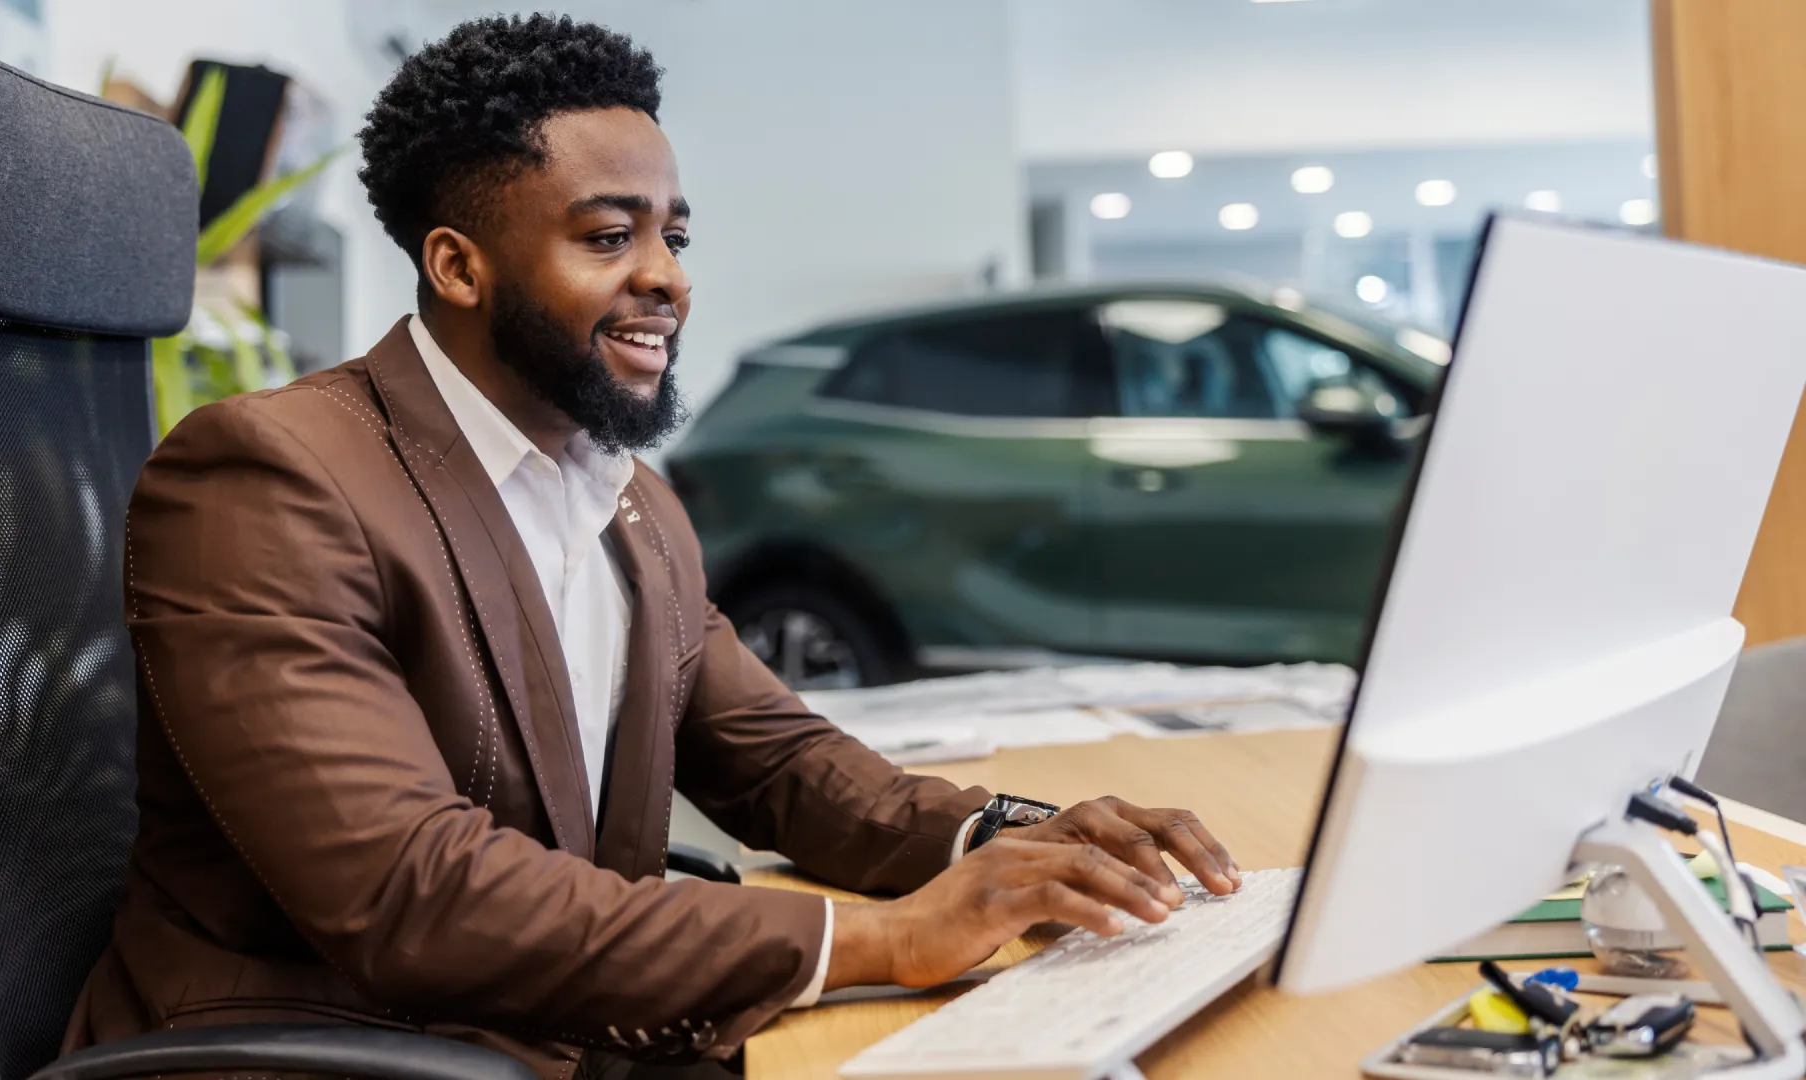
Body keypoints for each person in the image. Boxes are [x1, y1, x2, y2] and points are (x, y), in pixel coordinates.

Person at [62, 14, 1241, 1080]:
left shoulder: (623, 494)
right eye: (608, 236)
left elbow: (772, 759)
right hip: (336, 1050)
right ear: (458, 265)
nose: (666, 277)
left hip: (557, 1030)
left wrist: (1007, 838)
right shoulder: (269, 480)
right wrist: (889, 936)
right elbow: (406, 893)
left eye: (673, 234)